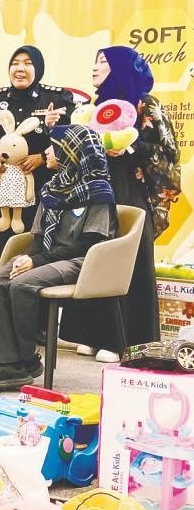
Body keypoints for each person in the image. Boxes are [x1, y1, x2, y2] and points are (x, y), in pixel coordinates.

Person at [0, 125, 117, 390]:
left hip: (81, 261)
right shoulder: (52, 188)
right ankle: (8, 361)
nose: (47, 151)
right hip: (49, 257)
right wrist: (25, 258)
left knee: (22, 283)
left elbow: (88, 245)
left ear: (69, 152)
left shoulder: (98, 191)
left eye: (53, 146)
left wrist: (36, 262)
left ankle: (26, 359)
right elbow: (38, 239)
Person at [61, 46, 180, 362]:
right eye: (95, 60)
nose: (95, 67)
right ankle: (90, 334)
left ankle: (122, 339)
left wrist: (127, 147)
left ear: (123, 69)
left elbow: (167, 153)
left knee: (125, 260)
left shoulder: (146, 105)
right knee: (91, 256)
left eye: (103, 62)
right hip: (95, 193)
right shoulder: (92, 106)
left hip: (129, 191)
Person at [0, 45, 76, 254]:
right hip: (5, 194)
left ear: (39, 68)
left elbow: (74, 139)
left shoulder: (57, 98)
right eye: (15, 63)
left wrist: (43, 157)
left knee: (39, 255)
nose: (20, 68)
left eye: (28, 63)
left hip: (45, 190)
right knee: (7, 254)